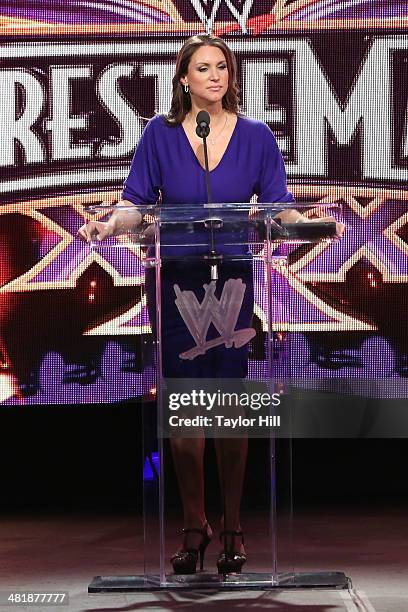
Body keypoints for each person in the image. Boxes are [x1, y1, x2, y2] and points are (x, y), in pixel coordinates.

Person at [79, 34, 344, 575]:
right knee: (186, 408)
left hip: (233, 283)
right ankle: (193, 525)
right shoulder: (160, 134)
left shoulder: (256, 136)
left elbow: (277, 207)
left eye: (222, 67)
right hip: (178, 281)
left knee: (228, 405)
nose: (215, 76)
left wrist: (314, 225)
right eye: (203, 68)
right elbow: (137, 203)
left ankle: (232, 526)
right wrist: (110, 224)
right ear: (184, 79)